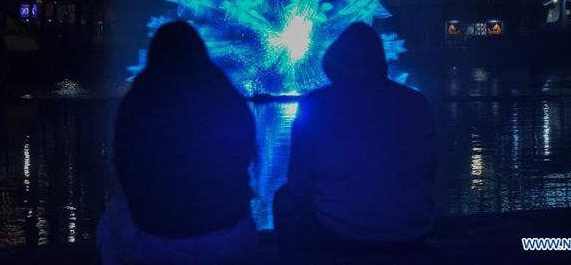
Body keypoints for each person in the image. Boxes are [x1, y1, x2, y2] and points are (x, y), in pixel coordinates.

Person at [98, 21, 258, 264]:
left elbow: (125, 168)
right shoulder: (227, 98)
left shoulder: (138, 102)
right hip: (231, 234)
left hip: (160, 239)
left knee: (111, 221)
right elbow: (244, 159)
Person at [273, 22, 436, 256]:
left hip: (344, 234)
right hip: (414, 231)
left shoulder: (316, 104)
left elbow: (299, 183)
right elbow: (430, 172)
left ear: (335, 63)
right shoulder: (417, 102)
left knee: (284, 200)